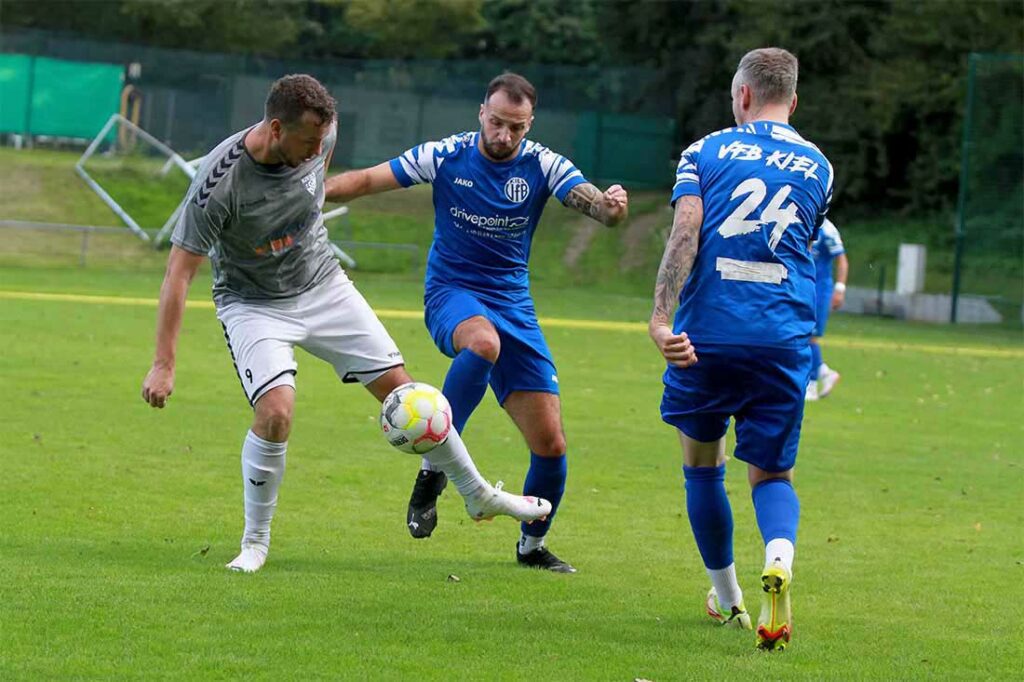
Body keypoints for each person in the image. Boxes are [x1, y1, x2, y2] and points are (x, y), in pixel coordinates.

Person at [140, 74, 551, 574]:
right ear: (275, 129)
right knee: (276, 412)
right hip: (253, 304)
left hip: (324, 286)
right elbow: (177, 275)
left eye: (321, 142)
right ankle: (255, 543)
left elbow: (326, 177)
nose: (317, 152)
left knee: (409, 400)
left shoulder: (323, 134)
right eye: (308, 143)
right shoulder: (218, 183)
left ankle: (477, 494)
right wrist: (164, 363)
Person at [325, 72, 629, 573]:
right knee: (483, 344)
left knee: (550, 446)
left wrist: (613, 208)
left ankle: (531, 549)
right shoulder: (445, 155)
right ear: (480, 113)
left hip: (514, 305)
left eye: (516, 127)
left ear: (529, 125)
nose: (504, 135)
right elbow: (364, 181)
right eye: (496, 122)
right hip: (452, 294)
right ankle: (433, 471)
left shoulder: (543, 164)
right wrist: (306, 198)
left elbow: (598, 209)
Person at [648, 48, 833, 650]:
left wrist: (659, 318)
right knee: (773, 473)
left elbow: (686, 231)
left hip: (707, 336)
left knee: (703, 466)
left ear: (744, 96)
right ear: (794, 101)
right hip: (783, 338)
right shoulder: (819, 166)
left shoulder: (704, 151)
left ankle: (728, 600)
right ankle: (779, 557)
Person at [805, 218, 848, 400]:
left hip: (819, 289)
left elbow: (842, 260)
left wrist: (839, 289)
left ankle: (812, 385)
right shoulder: (802, 220)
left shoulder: (827, 230)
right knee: (801, 335)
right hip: (803, 286)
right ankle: (824, 372)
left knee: (810, 337)